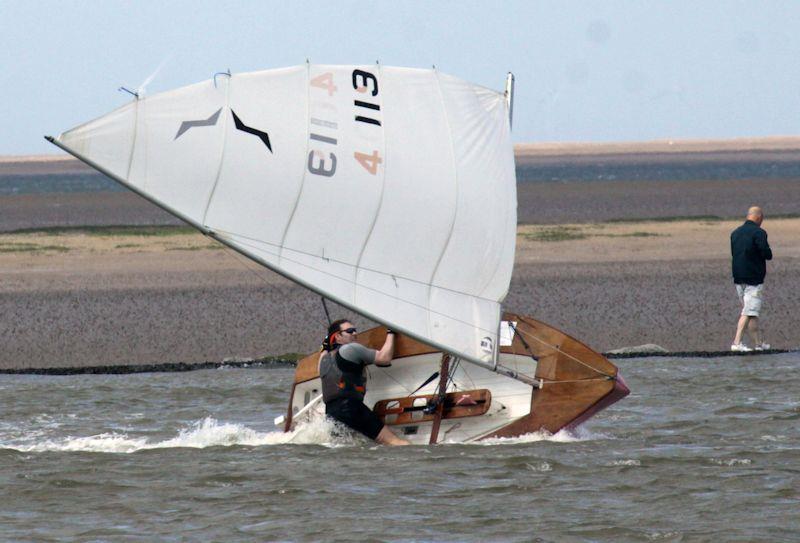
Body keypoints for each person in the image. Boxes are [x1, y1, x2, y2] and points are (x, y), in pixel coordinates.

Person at [319, 319, 410, 446]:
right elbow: (384, 358)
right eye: (350, 331)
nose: (355, 333)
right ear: (338, 336)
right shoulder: (351, 349)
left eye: (355, 330)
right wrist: (391, 331)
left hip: (331, 414)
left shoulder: (322, 360)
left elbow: (325, 346)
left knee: (343, 451)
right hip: (351, 408)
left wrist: (328, 339)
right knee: (395, 442)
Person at [730, 206, 773, 352]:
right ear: (759, 218)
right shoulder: (759, 233)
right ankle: (736, 343)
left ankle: (758, 344)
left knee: (751, 311)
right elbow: (766, 253)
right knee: (748, 312)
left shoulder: (735, 233)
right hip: (753, 278)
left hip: (738, 277)